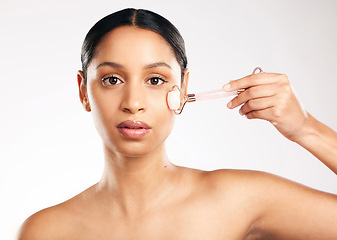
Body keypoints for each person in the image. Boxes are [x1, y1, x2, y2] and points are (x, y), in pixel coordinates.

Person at [17, 8, 337, 239]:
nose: (133, 102)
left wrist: (305, 128)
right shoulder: (45, 231)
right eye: (112, 79)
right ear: (83, 91)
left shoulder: (240, 200)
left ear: (182, 90)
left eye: (155, 79)